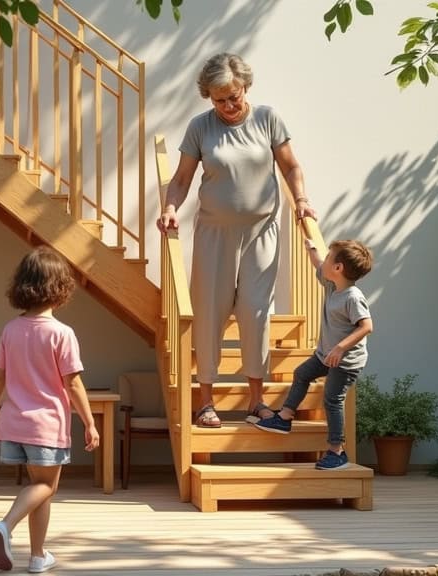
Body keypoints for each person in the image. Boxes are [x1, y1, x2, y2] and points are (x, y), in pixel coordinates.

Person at [157, 52, 317, 428]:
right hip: (214, 233)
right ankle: (206, 401)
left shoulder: (267, 118)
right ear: (208, 97)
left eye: (234, 96)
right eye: (219, 100)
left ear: (246, 87)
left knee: (256, 312)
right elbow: (181, 180)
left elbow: (291, 166)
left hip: (261, 231)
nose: (228, 105)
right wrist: (170, 208)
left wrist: (303, 201)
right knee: (209, 310)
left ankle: (257, 401)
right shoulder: (200, 127)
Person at [0, 246, 100, 573]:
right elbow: (73, 384)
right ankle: (4, 526)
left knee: (39, 489)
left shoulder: (11, 329)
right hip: (46, 426)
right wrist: (90, 423)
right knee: (47, 486)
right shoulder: (62, 333)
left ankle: (37, 557)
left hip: (15, 423)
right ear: (60, 289)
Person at [256, 239, 374, 470]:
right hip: (325, 355)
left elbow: (367, 326)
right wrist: (312, 249)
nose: (325, 262)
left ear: (338, 268)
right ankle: (285, 417)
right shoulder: (332, 286)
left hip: (346, 361)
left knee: (332, 400)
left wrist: (340, 348)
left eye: (330, 258)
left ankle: (336, 451)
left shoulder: (352, 297)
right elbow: (318, 264)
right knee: (301, 373)